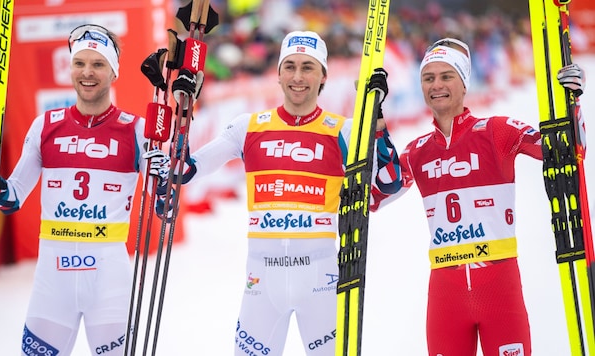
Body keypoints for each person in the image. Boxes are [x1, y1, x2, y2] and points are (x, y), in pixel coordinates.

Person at [154, 30, 402, 355]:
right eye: (290, 66)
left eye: (308, 67)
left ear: (323, 75)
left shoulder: (343, 130)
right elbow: (183, 171)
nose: (298, 77)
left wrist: (376, 120)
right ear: (279, 72)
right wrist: (181, 113)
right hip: (262, 283)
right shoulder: (249, 126)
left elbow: (390, 182)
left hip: (322, 280)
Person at [371, 37, 586, 356]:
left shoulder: (498, 132)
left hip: (499, 289)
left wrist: (573, 102)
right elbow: (379, 193)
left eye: (447, 76)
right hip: (447, 294)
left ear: (464, 82)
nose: (437, 85)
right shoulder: (417, 151)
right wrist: (373, 122)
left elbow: (567, 152)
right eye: (428, 78)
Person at [0, 25, 170, 355]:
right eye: (80, 63)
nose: (87, 73)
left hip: (109, 284)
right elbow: (11, 197)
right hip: (53, 284)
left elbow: (164, 207)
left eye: (98, 64)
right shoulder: (46, 125)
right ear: (70, 68)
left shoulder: (136, 130)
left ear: (113, 72)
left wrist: (165, 179)